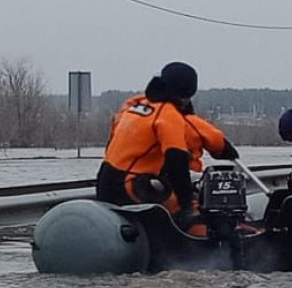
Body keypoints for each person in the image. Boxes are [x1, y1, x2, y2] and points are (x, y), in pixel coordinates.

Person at [96, 62, 237, 231]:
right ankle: (197, 246)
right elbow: (176, 162)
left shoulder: (134, 105)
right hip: (132, 186)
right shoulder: (168, 115)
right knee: (192, 215)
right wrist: (187, 207)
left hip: (105, 181)